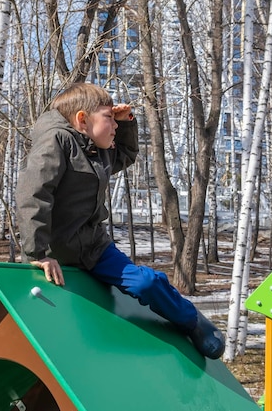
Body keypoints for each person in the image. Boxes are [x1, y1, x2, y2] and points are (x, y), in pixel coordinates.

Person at [15, 83, 225, 359]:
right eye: (109, 118)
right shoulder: (55, 141)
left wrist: (125, 124)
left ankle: (192, 320)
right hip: (53, 253)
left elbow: (125, 155)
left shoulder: (96, 147)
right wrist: (38, 253)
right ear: (82, 119)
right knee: (43, 314)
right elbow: (33, 194)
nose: (114, 125)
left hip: (94, 248)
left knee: (145, 284)